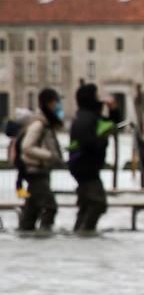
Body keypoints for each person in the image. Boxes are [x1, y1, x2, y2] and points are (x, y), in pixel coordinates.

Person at [68, 83, 117, 232]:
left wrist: (114, 110)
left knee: (86, 205)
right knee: (98, 203)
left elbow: (112, 125)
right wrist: (103, 140)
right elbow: (88, 142)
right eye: (96, 96)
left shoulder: (90, 116)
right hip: (85, 168)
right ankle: (85, 231)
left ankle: (80, 231)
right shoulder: (85, 118)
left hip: (85, 167)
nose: (99, 99)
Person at [17, 88, 63, 231]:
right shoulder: (39, 124)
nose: (57, 106)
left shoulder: (45, 123)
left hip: (39, 171)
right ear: (49, 103)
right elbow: (26, 147)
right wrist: (49, 156)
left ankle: (25, 236)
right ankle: (43, 238)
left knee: (32, 209)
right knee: (50, 207)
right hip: (35, 171)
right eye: (56, 102)